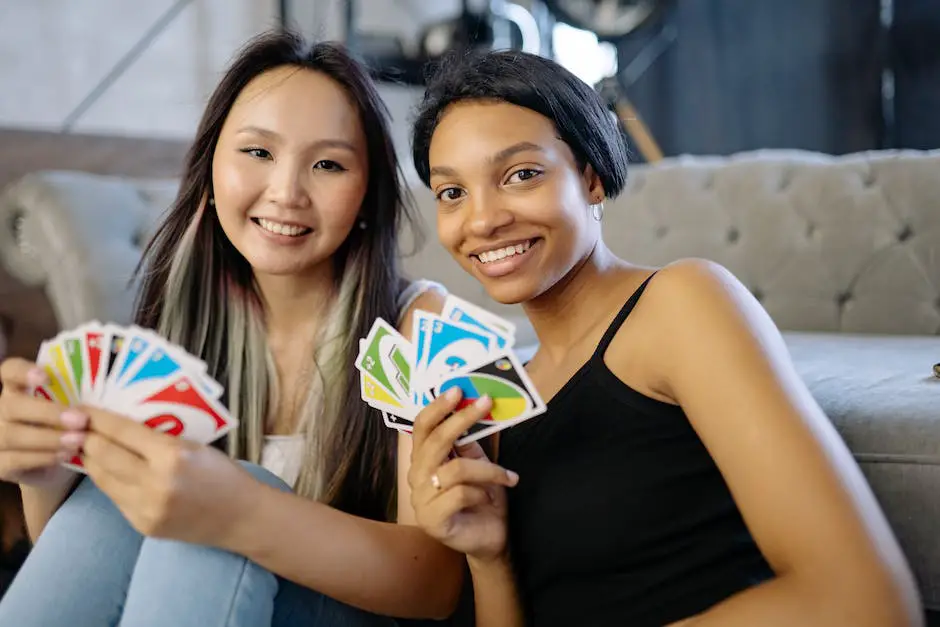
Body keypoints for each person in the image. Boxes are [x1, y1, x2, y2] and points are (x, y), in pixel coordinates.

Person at [405, 50, 924, 627]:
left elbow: (866, 605)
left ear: (592, 178)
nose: (481, 221)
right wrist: (490, 558)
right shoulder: (501, 396)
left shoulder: (681, 303)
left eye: (522, 174)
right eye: (452, 192)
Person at [0, 31, 469, 626]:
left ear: (367, 194)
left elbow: (437, 587)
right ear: (211, 166)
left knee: (215, 509)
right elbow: (96, 580)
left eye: (327, 164)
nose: (286, 192)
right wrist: (42, 480)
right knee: (110, 502)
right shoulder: (181, 315)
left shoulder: (421, 327)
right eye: (257, 152)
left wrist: (237, 508)